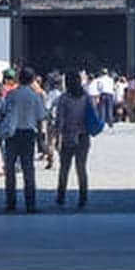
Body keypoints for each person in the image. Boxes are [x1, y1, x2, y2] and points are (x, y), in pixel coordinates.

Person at [1, 65, 46, 212]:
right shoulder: (35, 96)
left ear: (19, 78)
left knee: (10, 168)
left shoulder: (11, 94)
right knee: (28, 169)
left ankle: (10, 202)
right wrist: (40, 140)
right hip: (28, 133)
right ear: (32, 79)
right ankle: (30, 203)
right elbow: (40, 118)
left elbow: (4, 112)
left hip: (12, 134)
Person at [52, 69, 98, 208]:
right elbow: (93, 114)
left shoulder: (64, 98)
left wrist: (56, 137)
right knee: (81, 168)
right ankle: (83, 197)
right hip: (83, 136)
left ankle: (61, 196)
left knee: (64, 168)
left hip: (68, 136)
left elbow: (60, 120)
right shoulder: (87, 97)